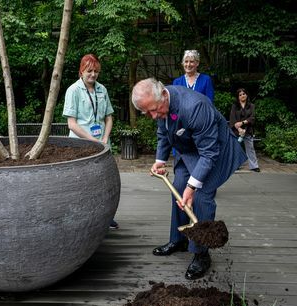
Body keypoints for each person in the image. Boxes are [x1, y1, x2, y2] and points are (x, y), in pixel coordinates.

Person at [131, 78, 247, 280]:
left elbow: (209, 154)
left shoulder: (195, 107)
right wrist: (160, 160)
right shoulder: (159, 104)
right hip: (188, 151)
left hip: (215, 152)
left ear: (164, 96)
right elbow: (163, 132)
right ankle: (178, 240)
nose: (152, 116)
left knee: (200, 197)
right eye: (146, 112)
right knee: (177, 186)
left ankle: (201, 254)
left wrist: (192, 186)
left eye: (154, 110)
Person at [63, 54, 118, 229]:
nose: (93, 74)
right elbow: (71, 124)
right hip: (81, 146)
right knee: (82, 184)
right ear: (81, 71)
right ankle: (81, 219)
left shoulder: (102, 89)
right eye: (89, 71)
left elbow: (109, 117)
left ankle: (105, 218)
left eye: (96, 71)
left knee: (104, 183)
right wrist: (93, 140)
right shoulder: (73, 90)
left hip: (101, 144)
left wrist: (104, 139)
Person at [229, 88, 260, 172]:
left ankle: (254, 166)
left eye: (244, 94)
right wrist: (239, 128)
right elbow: (232, 119)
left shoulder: (251, 106)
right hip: (236, 131)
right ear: (238, 97)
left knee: (250, 148)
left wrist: (242, 123)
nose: (242, 96)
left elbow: (252, 118)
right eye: (240, 95)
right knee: (236, 148)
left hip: (248, 130)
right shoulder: (235, 106)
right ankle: (236, 165)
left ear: (246, 95)